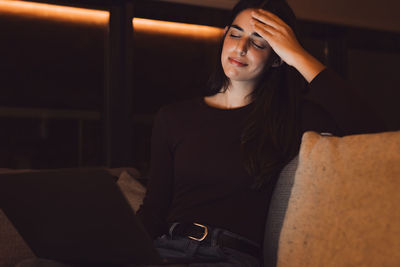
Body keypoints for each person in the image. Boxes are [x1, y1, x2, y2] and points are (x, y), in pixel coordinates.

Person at [136, 0, 383, 266]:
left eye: (258, 42)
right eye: (235, 34)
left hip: (230, 257)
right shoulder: (174, 117)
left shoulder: (289, 119)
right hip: (166, 252)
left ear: (277, 57)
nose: (240, 48)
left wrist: (298, 55)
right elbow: (153, 210)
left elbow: (371, 131)